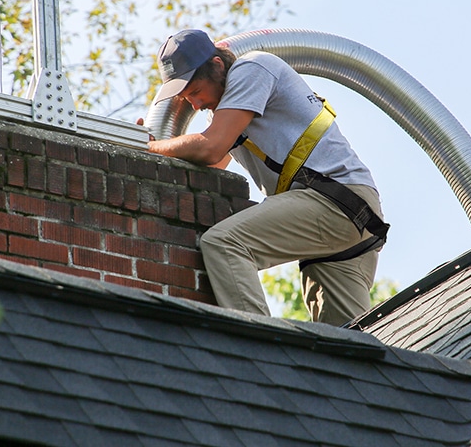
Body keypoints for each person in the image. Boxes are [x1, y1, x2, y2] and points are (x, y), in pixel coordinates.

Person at [145, 29, 388, 326]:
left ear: (218, 67)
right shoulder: (229, 113)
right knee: (345, 348)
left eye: (195, 92)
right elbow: (213, 165)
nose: (195, 105)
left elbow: (210, 148)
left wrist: (148, 146)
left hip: (334, 201)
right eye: (186, 98)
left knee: (225, 244)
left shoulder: (252, 69)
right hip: (348, 219)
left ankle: (262, 348)